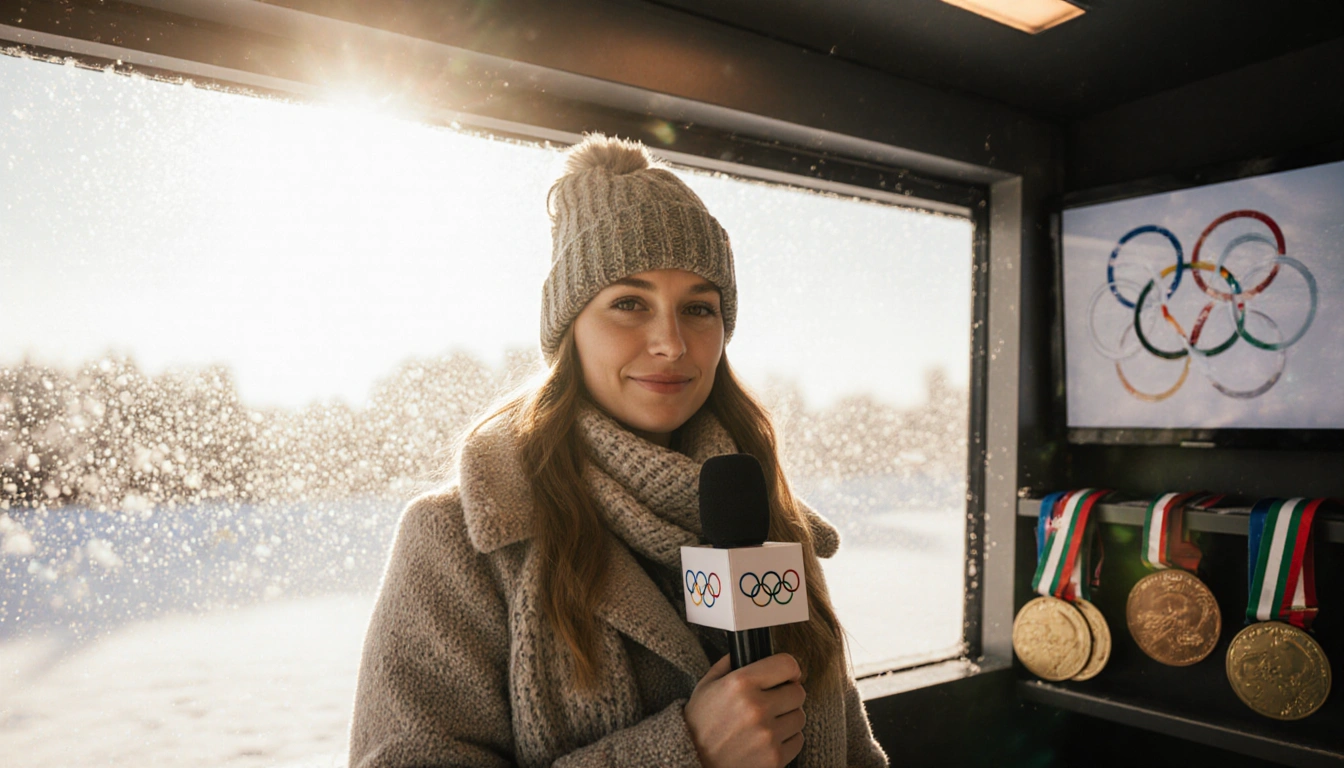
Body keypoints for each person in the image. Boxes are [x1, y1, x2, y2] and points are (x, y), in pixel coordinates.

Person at [348, 135, 888, 768]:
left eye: (699, 308)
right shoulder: (460, 541)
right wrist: (686, 752)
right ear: (568, 328)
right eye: (629, 303)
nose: (671, 342)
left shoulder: (768, 519)